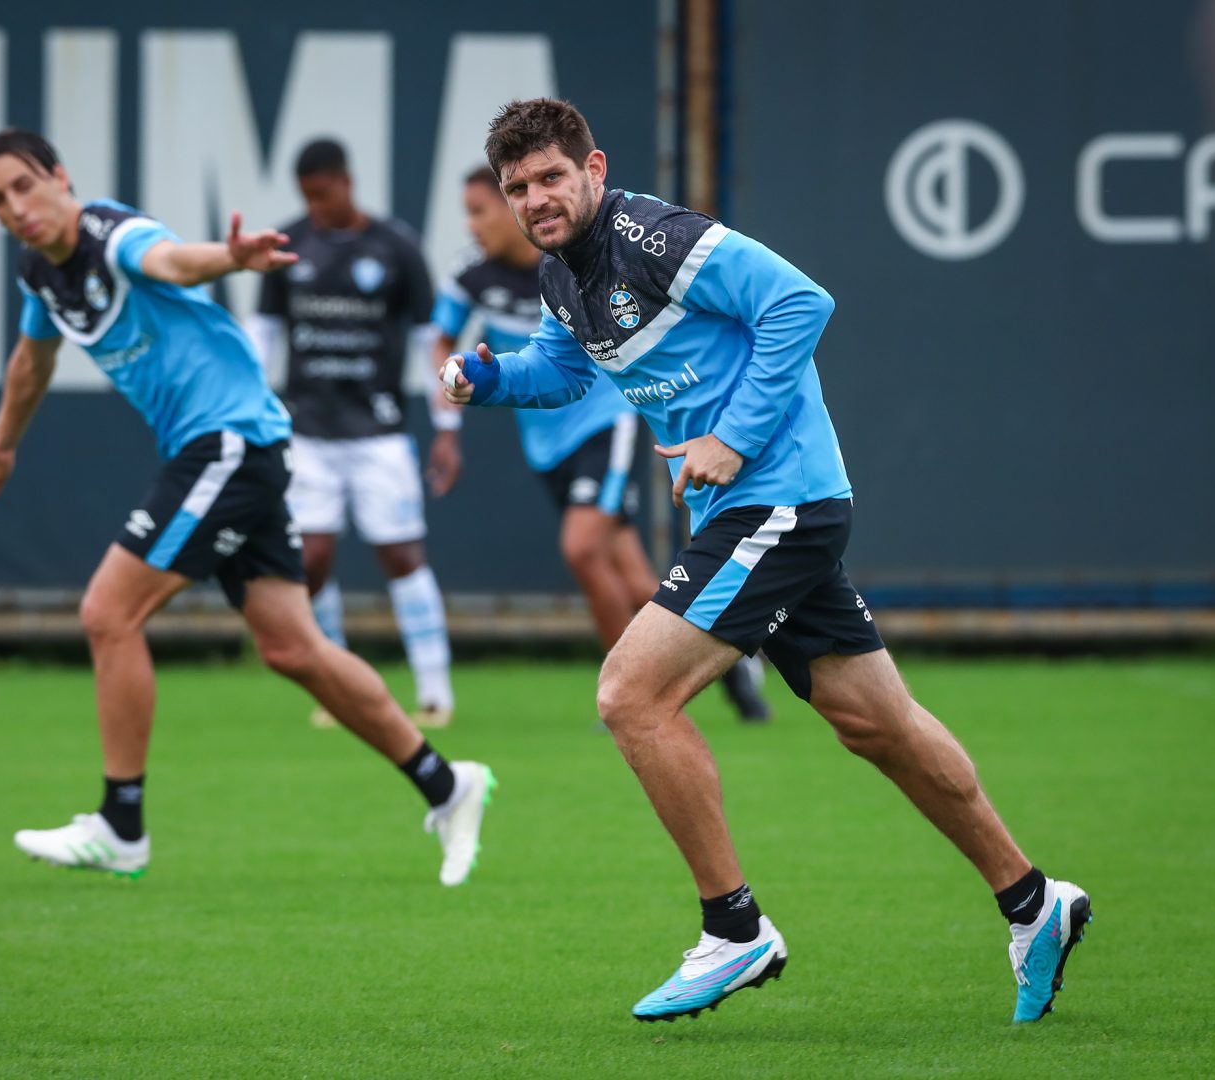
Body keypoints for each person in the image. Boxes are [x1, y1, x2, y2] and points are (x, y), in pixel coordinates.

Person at [442, 99, 1090, 1023]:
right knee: (878, 725)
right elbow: (567, 370)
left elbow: (799, 302)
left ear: (594, 168)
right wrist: (492, 380)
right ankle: (1034, 902)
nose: (536, 199)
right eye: (518, 188)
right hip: (755, 509)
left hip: (777, 498)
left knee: (630, 694)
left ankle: (734, 929)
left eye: (551, 176)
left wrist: (734, 439)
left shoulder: (656, 236)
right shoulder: (560, 274)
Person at [0, 128, 494, 887]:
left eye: (23, 185)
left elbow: (170, 260)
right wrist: (1, 442)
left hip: (229, 442)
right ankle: (447, 784)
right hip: (230, 448)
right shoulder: (39, 272)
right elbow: (31, 361)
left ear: (60, 178)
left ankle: (121, 824)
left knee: (108, 613)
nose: (14, 207)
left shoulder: (109, 233)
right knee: (294, 650)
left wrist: (231, 257)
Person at [431, 166, 772, 723]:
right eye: (514, 193)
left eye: (480, 211)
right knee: (633, 577)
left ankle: (633, 692)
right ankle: (735, 668)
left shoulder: (568, 258)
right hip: (545, 439)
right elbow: (441, 338)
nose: (474, 225)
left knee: (582, 548)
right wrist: (448, 408)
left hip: (603, 422)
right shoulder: (470, 273)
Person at [250, 139, 455, 729]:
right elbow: (262, 335)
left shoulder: (396, 247)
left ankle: (435, 693)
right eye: (306, 198)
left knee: (401, 555)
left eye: (322, 194)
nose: (315, 208)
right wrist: (248, 408)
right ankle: (337, 686)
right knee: (311, 558)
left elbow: (429, 343)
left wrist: (447, 426)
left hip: (378, 434)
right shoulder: (289, 244)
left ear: (346, 182)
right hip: (307, 433)